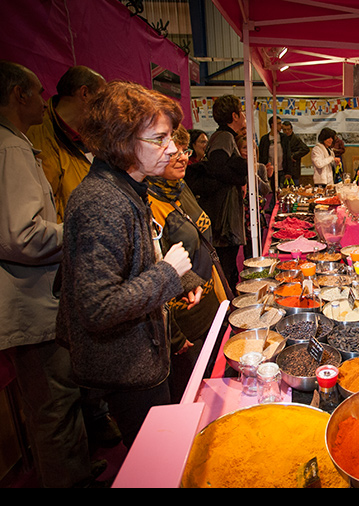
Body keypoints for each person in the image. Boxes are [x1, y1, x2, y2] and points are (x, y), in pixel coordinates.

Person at [57, 80, 194, 449]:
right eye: (160, 139)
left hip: (142, 357)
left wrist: (184, 277)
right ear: (122, 139)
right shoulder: (101, 200)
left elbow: (131, 262)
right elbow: (98, 307)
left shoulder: (126, 187)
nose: (172, 149)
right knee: (153, 460)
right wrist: (167, 273)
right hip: (127, 366)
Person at [0, 60, 98, 488]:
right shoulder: (13, 147)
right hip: (30, 302)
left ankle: (75, 468)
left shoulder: (19, 142)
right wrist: (80, 229)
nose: (45, 100)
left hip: (43, 297)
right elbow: (21, 235)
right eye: (39, 93)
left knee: (63, 400)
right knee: (54, 409)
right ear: (18, 95)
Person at [147, 125, 222, 403]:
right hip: (184, 320)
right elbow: (157, 266)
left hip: (206, 303)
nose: (180, 157)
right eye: (172, 152)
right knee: (190, 394)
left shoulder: (179, 188)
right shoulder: (149, 203)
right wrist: (175, 336)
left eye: (184, 151)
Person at [27, 65, 106, 223]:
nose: (105, 106)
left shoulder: (95, 137)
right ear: (84, 93)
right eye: (102, 98)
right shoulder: (36, 134)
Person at [192, 94, 248, 290]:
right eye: (241, 112)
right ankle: (226, 307)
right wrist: (240, 173)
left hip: (225, 211)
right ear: (234, 116)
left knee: (228, 264)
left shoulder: (225, 136)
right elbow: (217, 166)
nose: (243, 116)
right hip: (223, 215)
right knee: (225, 266)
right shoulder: (224, 136)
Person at [258, 115, 292, 188]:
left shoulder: (284, 137)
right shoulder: (264, 139)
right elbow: (261, 155)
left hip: (282, 170)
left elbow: (288, 154)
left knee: (283, 190)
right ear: (272, 125)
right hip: (270, 170)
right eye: (279, 123)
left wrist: (289, 171)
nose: (281, 126)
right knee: (271, 191)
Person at [282, 120, 309, 186]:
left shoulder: (296, 139)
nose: (287, 131)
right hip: (284, 168)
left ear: (291, 129)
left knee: (295, 187)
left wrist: (294, 156)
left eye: (288, 129)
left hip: (294, 168)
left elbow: (306, 149)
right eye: (285, 130)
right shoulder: (281, 138)